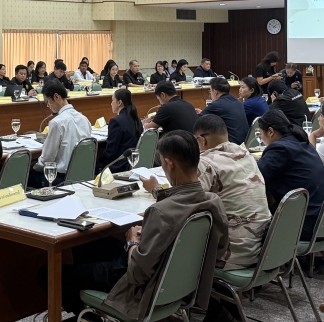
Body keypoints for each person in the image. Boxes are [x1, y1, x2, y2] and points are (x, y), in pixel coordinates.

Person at [44, 131, 228, 319]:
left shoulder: (160, 212)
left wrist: (132, 242)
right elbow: (219, 250)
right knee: (88, 246)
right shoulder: (213, 202)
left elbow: (138, 274)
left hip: (140, 288)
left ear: (169, 163)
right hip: (182, 284)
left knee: (48, 273)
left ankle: (92, 317)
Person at [190, 115, 270, 268]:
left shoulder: (205, 161)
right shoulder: (246, 154)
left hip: (235, 253)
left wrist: (156, 190)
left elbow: (188, 202)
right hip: (265, 247)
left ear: (202, 140)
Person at [257, 110, 324, 240]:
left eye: (261, 134)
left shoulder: (280, 149)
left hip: (306, 223)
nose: (261, 139)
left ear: (270, 131)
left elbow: (255, 178)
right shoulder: (302, 141)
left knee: (253, 222)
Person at [28, 81, 92, 188]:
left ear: (56, 97)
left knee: (26, 176)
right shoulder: (84, 119)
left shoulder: (57, 123)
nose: (47, 106)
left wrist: (34, 167)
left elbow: (47, 159)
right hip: (82, 177)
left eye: (47, 101)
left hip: (60, 179)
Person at [97, 89, 142, 174]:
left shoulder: (116, 121)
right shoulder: (137, 119)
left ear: (119, 103)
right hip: (132, 162)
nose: (111, 103)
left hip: (119, 166)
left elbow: (110, 153)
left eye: (112, 100)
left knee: (93, 166)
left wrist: (98, 159)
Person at [197, 78, 249, 145]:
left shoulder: (216, 105)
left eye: (210, 91)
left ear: (215, 92)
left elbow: (197, 120)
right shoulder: (237, 101)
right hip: (244, 143)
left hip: (231, 146)